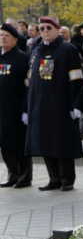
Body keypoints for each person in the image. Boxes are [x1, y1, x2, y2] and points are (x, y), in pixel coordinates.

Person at [25, 17, 83, 191]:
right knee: (45, 142)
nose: (44, 31)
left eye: (48, 28)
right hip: (40, 106)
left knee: (61, 143)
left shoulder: (67, 49)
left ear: (57, 29)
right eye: (41, 28)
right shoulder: (37, 50)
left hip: (60, 105)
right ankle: (54, 178)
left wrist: (76, 105)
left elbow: (76, 80)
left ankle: (67, 179)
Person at [0, 23, 32, 188]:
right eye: (1, 35)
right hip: (2, 109)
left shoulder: (22, 58)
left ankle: (24, 176)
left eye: (7, 36)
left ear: (14, 39)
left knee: (19, 143)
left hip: (16, 109)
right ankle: (12, 174)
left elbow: (28, 87)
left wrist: (25, 109)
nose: (3, 38)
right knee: (4, 143)